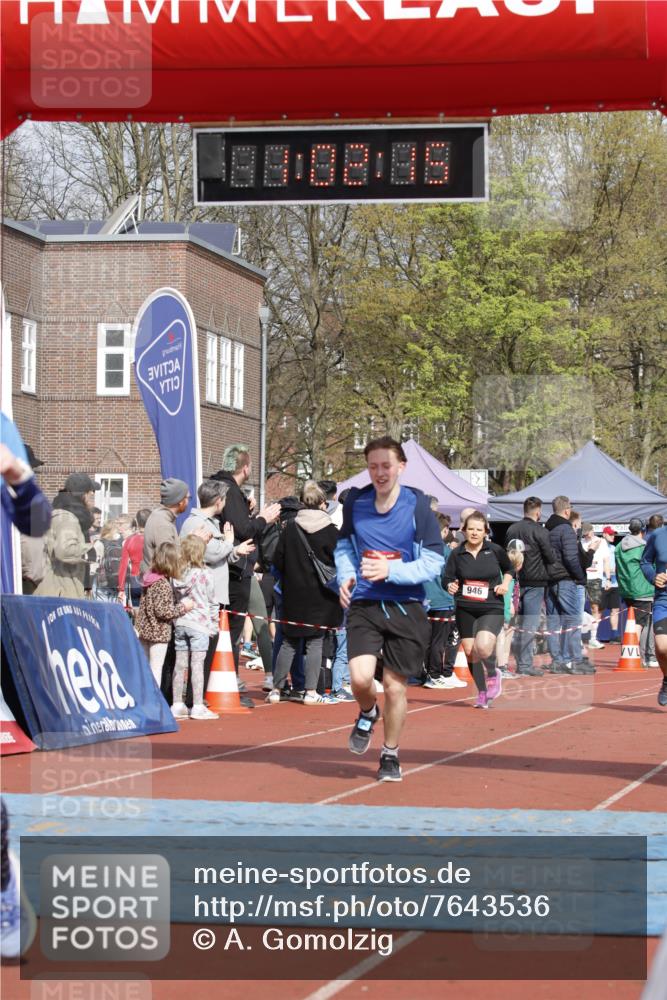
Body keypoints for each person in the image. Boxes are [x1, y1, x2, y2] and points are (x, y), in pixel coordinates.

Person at [335, 437, 444, 781]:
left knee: (396, 686)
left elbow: (434, 563)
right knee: (360, 677)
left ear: (401, 467)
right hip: (365, 601)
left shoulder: (417, 506)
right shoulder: (356, 502)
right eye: (373, 466)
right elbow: (343, 547)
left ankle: (390, 754)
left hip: (407, 605)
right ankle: (368, 711)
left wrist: (392, 571)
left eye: (386, 466)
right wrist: (347, 575)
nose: (380, 473)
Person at [210, 445, 280, 705]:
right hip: (235, 567)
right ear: (246, 468)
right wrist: (263, 518)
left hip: (237, 567)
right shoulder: (229, 491)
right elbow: (245, 529)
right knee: (235, 625)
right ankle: (231, 679)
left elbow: (238, 524)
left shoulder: (221, 488)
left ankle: (263, 674)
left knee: (250, 619)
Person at [269, 481, 342, 705]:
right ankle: (311, 691)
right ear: (323, 503)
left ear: (302, 502)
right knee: (315, 642)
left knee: (289, 642)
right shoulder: (331, 531)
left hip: (293, 593)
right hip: (321, 594)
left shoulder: (291, 528)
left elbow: (277, 560)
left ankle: (276, 689)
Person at [180, 479, 255, 694]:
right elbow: (211, 553)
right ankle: (196, 696)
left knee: (206, 648)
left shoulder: (208, 522)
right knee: (202, 650)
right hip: (203, 596)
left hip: (210, 594)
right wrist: (230, 544)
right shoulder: (197, 524)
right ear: (218, 500)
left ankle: (198, 694)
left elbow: (219, 554)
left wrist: (234, 550)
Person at [444, 511, 513, 708]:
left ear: (485, 532)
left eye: (478, 529)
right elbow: (446, 577)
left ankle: (493, 674)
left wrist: (505, 584)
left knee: (482, 646)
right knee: (469, 651)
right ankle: (482, 691)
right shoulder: (457, 554)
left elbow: (509, 569)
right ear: (464, 530)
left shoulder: (495, 550)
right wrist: (449, 585)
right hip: (465, 607)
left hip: (491, 606)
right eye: (471, 529)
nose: (474, 533)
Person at [506, 496, 557, 676]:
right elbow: (550, 557)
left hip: (515, 580)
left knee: (513, 623)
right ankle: (525, 665)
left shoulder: (512, 529)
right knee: (529, 624)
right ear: (538, 512)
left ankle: (511, 662)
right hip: (535, 582)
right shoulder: (540, 532)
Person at [544, 496, 594, 675]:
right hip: (565, 579)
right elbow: (571, 558)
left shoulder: (546, 529)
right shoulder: (566, 530)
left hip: (549, 580)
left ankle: (559, 661)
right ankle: (574, 660)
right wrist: (579, 577)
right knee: (572, 621)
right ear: (567, 511)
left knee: (553, 623)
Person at [171, 534, 219, 721]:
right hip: (199, 624)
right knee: (197, 665)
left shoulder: (177, 574)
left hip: (181, 622)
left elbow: (175, 599)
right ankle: (197, 705)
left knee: (179, 665)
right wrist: (213, 626)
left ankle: (177, 703)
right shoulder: (206, 574)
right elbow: (212, 602)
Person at [135, 541, 194, 688]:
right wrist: (183, 607)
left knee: (144, 667)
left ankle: (144, 696)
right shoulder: (163, 584)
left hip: (144, 630)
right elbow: (163, 611)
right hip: (158, 632)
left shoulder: (149, 579)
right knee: (156, 667)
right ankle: (153, 700)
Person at [35, 473, 100, 598]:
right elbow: (64, 550)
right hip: (61, 589)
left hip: (66, 586)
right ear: (84, 495)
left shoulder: (69, 516)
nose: (91, 497)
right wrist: (91, 550)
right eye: (90, 493)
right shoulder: (66, 517)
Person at [422, 512, 466, 690]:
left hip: (425, 600)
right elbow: (452, 576)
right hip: (442, 600)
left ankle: (432, 673)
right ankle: (435, 674)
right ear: (444, 530)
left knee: (429, 641)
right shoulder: (446, 552)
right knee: (440, 641)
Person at [140, 478, 206, 574]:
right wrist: (195, 542)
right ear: (180, 501)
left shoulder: (161, 517)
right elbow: (169, 562)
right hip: (161, 585)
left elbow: (171, 546)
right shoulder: (162, 524)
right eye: (188, 498)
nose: (188, 501)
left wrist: (188, 538)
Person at [616, 518, 657, 668]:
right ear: (643, 531)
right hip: (642, 589)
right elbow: (652, 566)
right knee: (641, 623)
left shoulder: (619, 546)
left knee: (636, 621)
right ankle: (637, 656)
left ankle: (644, 656)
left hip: (626, 589)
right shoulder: (644, 547)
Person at [640, 523, 667, 707]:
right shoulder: (658, 535)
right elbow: (645, 562)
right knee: (662, 647)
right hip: (663, 600)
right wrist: (653, 577)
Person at [582, 523, 612, 648]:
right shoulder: (581, 542)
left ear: (592, 531)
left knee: (595, 607)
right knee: (579, 608)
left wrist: (608, 579)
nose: (586, 535)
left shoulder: (601, 542)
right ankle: (578, 637)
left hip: (596, 578)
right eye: (584, 533)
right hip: (582, 578)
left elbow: (606, 561)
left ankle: (593, 638)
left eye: (588, 532)